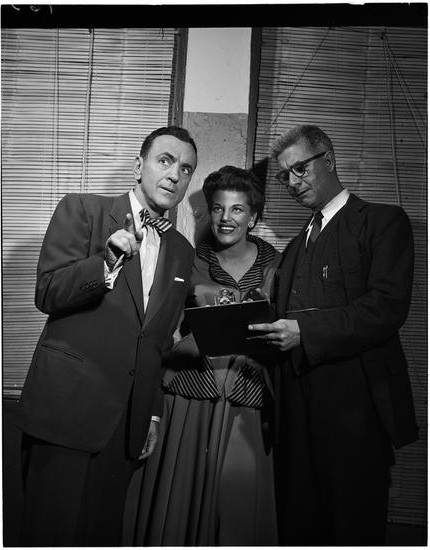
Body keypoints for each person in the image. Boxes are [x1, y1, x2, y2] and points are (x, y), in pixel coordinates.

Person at [17, 125, 198, 546]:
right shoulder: (83, 209)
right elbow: (47, 292)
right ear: (138, 166)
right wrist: (106, 262)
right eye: (165, 160)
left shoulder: (182, 250)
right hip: (65, 412)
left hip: (126, 426)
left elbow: (157, 340)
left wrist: (152, 413)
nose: (175, 175)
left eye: (186, 169)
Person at [249, 124, 418, 545]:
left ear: (329, 160)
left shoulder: (382, 221)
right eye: (284, 175)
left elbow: (387, 307)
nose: (292, 182)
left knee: (350, 521)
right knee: (299, 520)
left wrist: (304, 331)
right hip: (295, 403)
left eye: (300, 169)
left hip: (355, 403)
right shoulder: (295, 246)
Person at [123, 165, 281, 546]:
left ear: (253, 217)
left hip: (248, 398)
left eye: (237, 209)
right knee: (179, 507)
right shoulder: (189, 260)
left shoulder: (279, 267)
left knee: (239, 509)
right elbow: (163, 328)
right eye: (217, 208)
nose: (226, 218)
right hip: (191, 396)